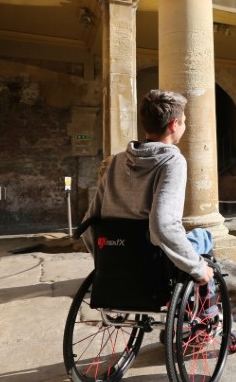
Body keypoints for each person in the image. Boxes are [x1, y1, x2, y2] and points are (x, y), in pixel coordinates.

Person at [83, 89, 214, 285]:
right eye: (184, 121)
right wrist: (198, 268)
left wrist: (105, 262)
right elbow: (163, 226)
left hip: (117, 260)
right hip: (154, 262)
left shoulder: (117, 161)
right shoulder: (172, 161)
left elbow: (88, 223)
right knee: (203, 236)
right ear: (174, 124)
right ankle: (207, 309)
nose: (184, 126)